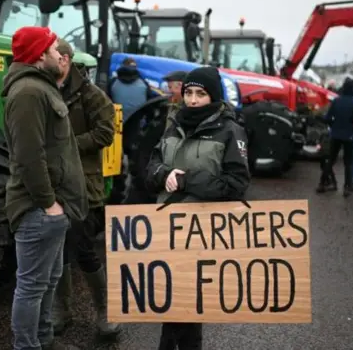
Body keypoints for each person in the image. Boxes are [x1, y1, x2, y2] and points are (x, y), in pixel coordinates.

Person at [145, 66, 251, 350]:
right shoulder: (173, 124)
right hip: (167, 227)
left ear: (212, 96)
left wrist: (187, 180)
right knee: (170, 301)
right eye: (188, 93)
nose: (192, 100)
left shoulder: (230, 131)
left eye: (200, 94)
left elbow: (236, 184)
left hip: (204, 232)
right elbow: (151, 167)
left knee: (190, 305)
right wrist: (162, 174)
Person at [2, 26, 88, 350]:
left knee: (48, 280)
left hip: (51, 207)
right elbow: (28, 156)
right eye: (53, 49)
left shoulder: (41, 87)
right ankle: (28, 346)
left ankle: (45, 340)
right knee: (31, 286)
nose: (60, 55)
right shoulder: (28, 93)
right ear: (40, 55)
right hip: (38, 209)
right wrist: (49, 203)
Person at [50, 40, 121, 339]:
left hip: (84, 183)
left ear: (64, 60)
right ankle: (60, 310)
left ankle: (105, 309)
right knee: (58, 248)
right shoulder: (45, 89)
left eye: (50, 54)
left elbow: (106, 133)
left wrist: (67, 146)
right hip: (54, 181)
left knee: (83, 247)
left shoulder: (92, 95)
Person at [316, 77, 353, 196]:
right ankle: (347, 188)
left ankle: (322, 184)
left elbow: (327, 118)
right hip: (350, 135)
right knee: (348, 163)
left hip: (336, 134)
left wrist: (333, 126)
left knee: (331, 160)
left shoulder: (336, 101)